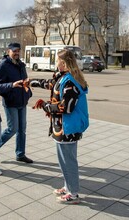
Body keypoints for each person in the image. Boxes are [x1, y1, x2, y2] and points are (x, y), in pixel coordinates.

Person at [30, 49, 89, 204]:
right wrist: (29, 82)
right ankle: (67, 186)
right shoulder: (62, 77)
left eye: (57, 61)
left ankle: (73, 193)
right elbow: (49, 84)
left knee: (68, 161)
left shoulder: (70, 82)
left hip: (68, 129)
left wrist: (45, 106)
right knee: (63, 161)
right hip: (61, 127)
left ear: (64, 63)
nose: (56, 63)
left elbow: (66, 107)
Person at [0, 43, 33, 163]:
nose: (16, 53)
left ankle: (20, 154)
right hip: (11, 103)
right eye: (14, 51)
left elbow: (25, 81)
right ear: (8, 51)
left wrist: (28, 93)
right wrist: (10, 96)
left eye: (18, 51)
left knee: (22, 130)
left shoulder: (21, 65)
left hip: (22, 102)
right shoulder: (3, 66)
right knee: (13, 129)